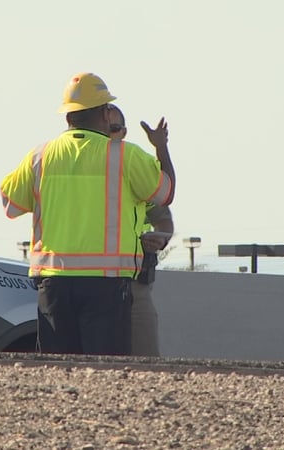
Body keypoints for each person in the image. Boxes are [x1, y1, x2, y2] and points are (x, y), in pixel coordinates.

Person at [0, 73, 175, 355]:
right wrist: (162, 149)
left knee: (59, 370)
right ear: (105, 114)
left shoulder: (40, 156)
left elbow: (10, 203)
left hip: (53, 282)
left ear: (67, 115)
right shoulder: (124, 155)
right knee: (104, 372)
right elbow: (165, 192)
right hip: (106, 284)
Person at [108, 104, 174, 356]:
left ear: (123, 133)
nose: (109, 135)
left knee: (145, 359)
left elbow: (163, 218)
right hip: (92, 284)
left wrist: (160, 240)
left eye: (114, 129)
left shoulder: (134, 169)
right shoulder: (80, 171)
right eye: (105, 129)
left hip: (136, 284)